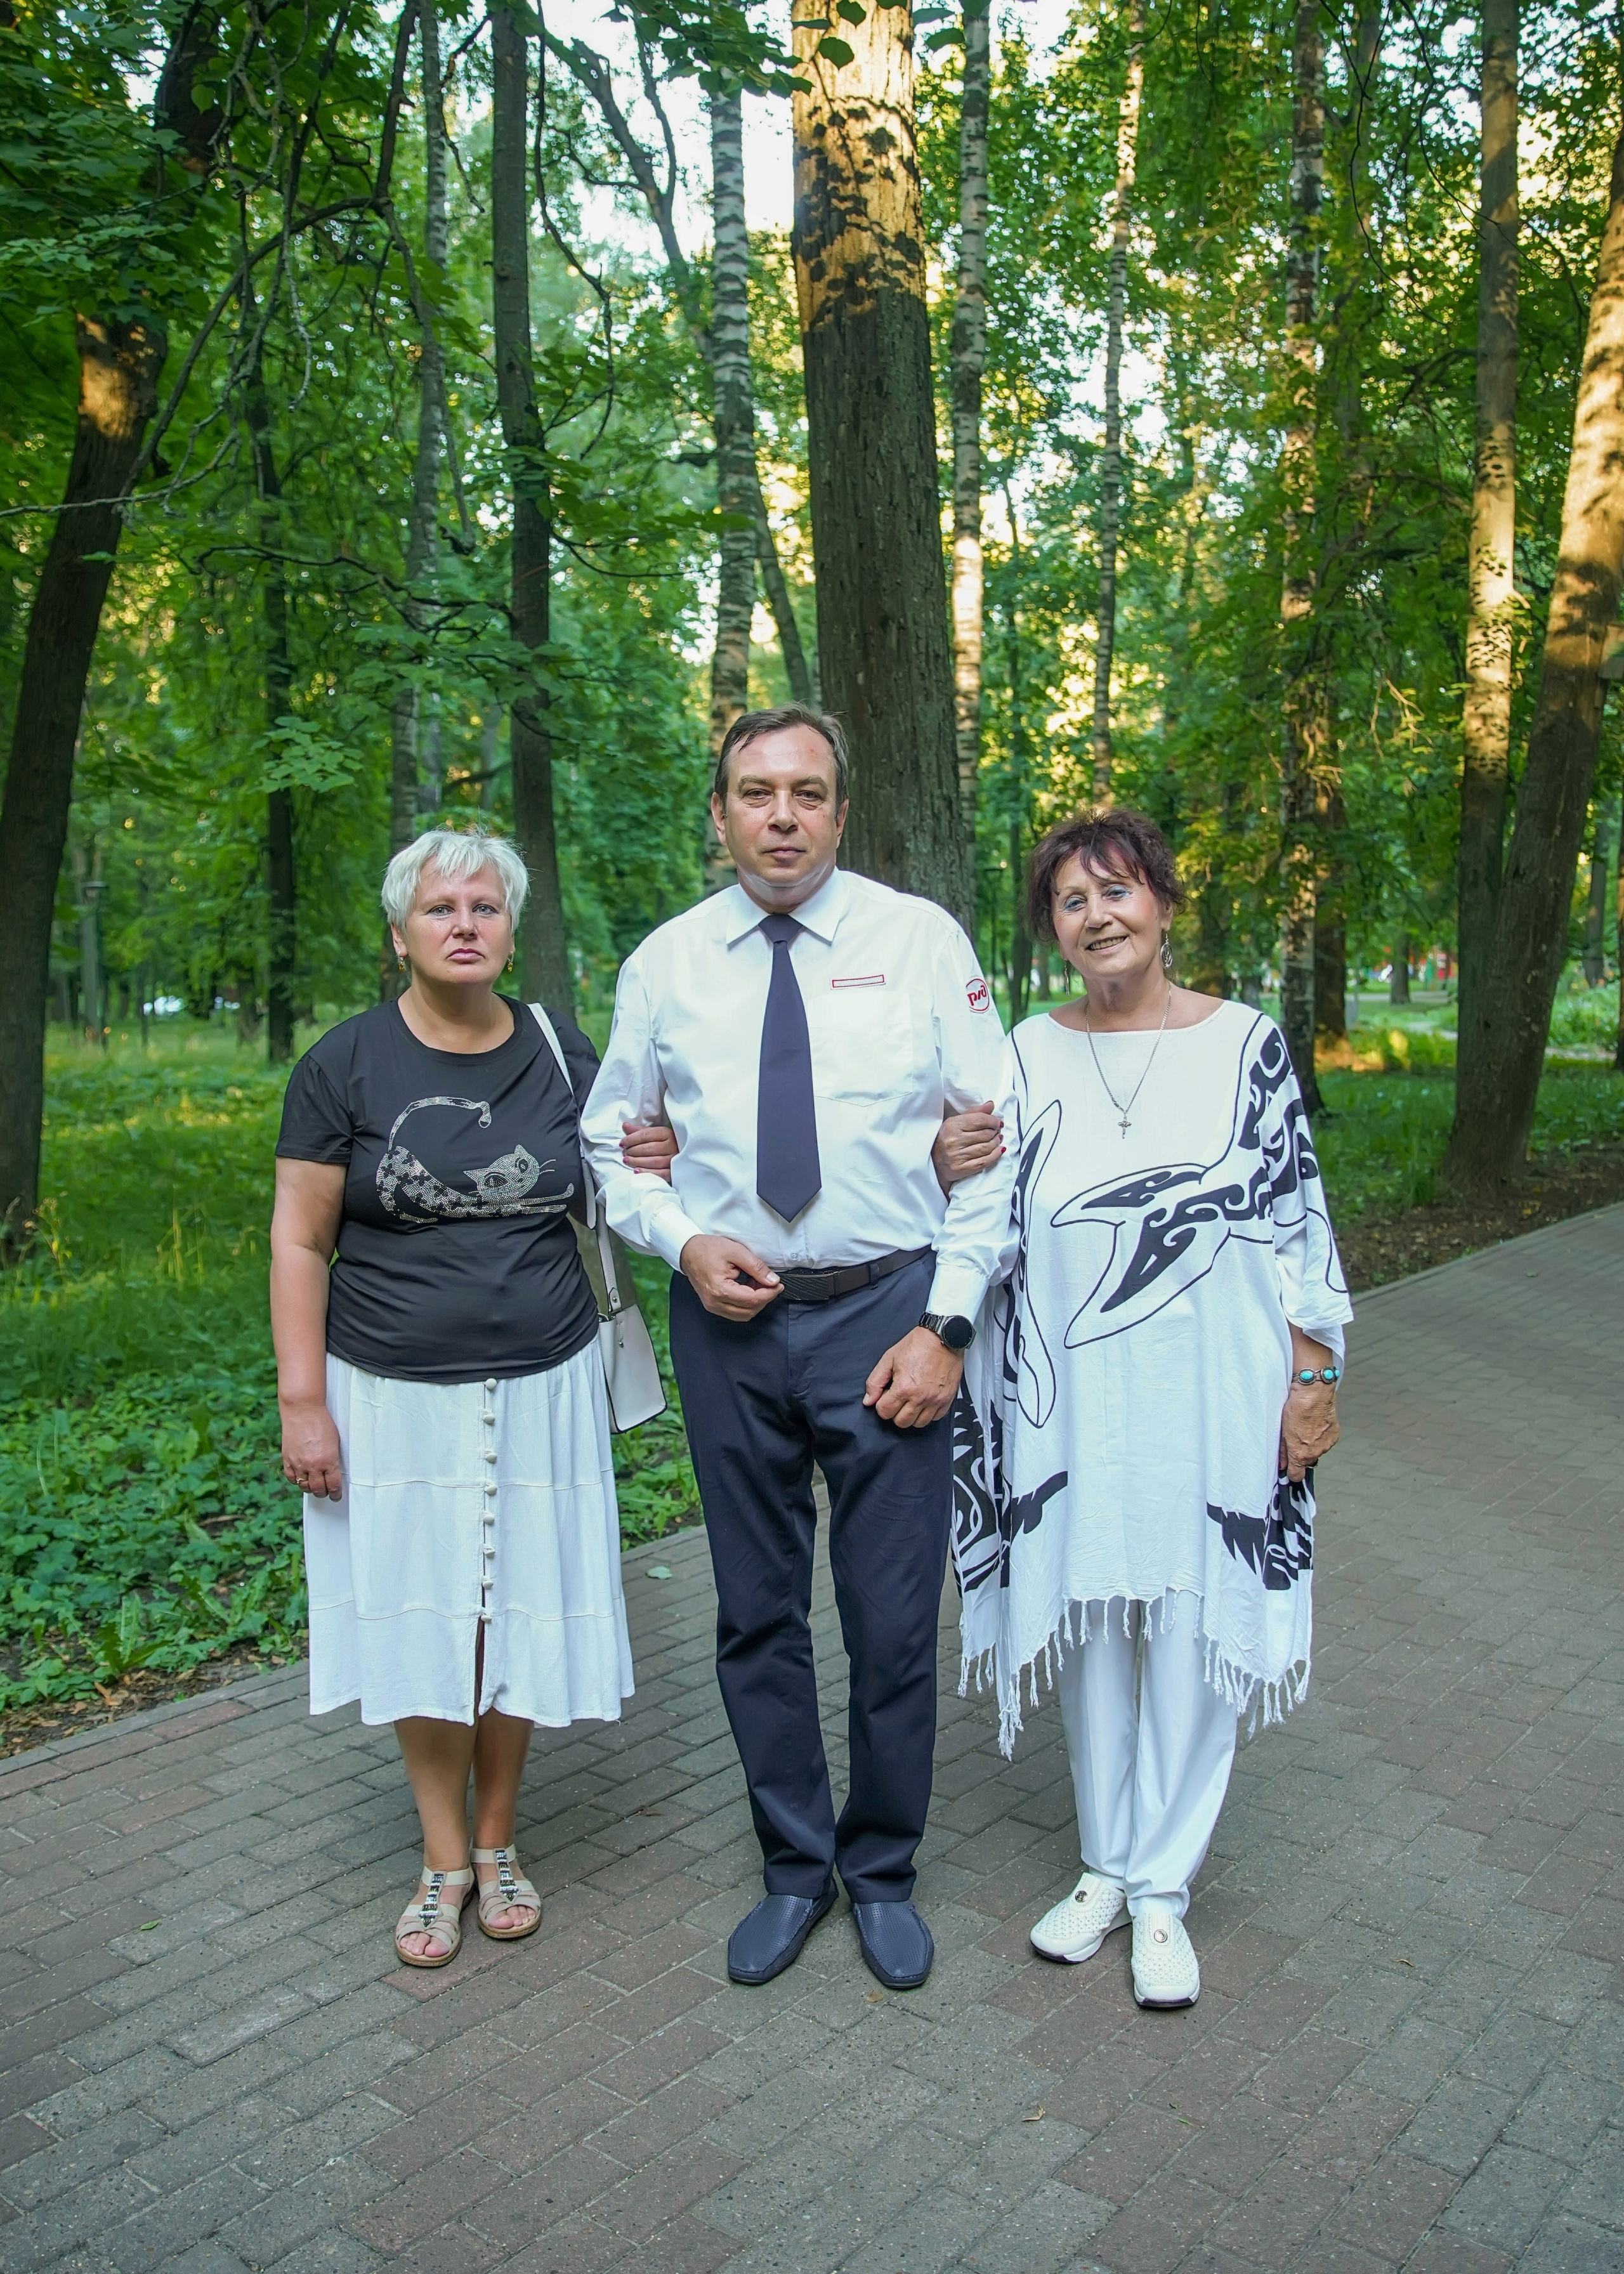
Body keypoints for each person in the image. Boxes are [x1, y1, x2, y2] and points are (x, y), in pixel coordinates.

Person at [582, 705, 1016, 1991]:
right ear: (719, 812)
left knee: (891, 1615)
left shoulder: (919, 941)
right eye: (756, 791)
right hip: (730, 1323)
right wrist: (679, 1239)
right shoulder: (666, 963)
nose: (782, 814)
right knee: (757, 1611)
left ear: (840, 810)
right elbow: (611, 1137)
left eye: (807, 791)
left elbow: (995, 1145)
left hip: (888, 1315)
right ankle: (792, 1865)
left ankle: (880, 1870)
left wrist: (946, 1324)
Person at [943, 809, 1350, 2009]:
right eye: (1072, 901)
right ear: (1053, 928)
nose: (1097, 915)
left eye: (1117, 890)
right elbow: (988, 1210)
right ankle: (1106, 1866)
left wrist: (1314, 1377)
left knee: (1194, 1617)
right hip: (1074, 1403)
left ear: (1165, 903)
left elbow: (1299, 1220)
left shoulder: (1247, 1044)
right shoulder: (1026, 1052)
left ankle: (1163, 1888)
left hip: (1217, 1389)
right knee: (1088, 1617)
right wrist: (943, 1165)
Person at [270, 825, 638, 1969]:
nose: (464, 924)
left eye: (485, 906)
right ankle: (440, 1859)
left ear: (510, 929)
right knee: (427, 1614)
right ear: (400, 934)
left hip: (544, 1383)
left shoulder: (561, 1051)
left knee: (513, 1610)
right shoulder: (344, 1063)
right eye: (440, 908)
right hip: (389, 1390)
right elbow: (299, 1239)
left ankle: (497, 1840)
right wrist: (301, 1401)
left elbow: (619, 1184)